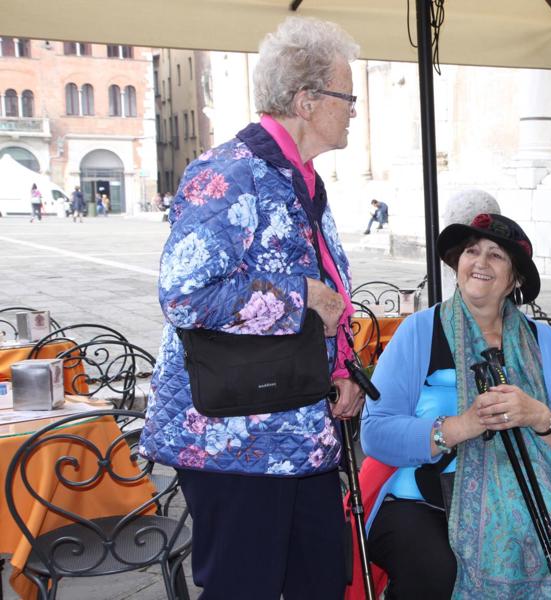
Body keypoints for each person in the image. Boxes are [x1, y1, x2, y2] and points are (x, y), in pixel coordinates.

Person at [139, 16, 365, 599]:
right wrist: (300, 297)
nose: (354, 111)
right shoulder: (230, 171)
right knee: (245, 587)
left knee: (320, 578)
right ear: (307, 100)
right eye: (348, 97)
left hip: (298, 428)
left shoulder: (301, 178)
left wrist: (339, 367)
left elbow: (327, 289)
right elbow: (186, 295)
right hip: (232, 438)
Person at [361, 213, 551, 599]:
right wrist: (461, 426)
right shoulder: (420, 331)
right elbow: (375, 433)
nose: (480, 262)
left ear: (515, 279)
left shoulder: (545, 341)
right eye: (471, 251)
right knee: (436, 570)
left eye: (496, 255)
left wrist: (539, 417)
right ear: (458, 264)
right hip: (425, 496)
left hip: (529, 489)